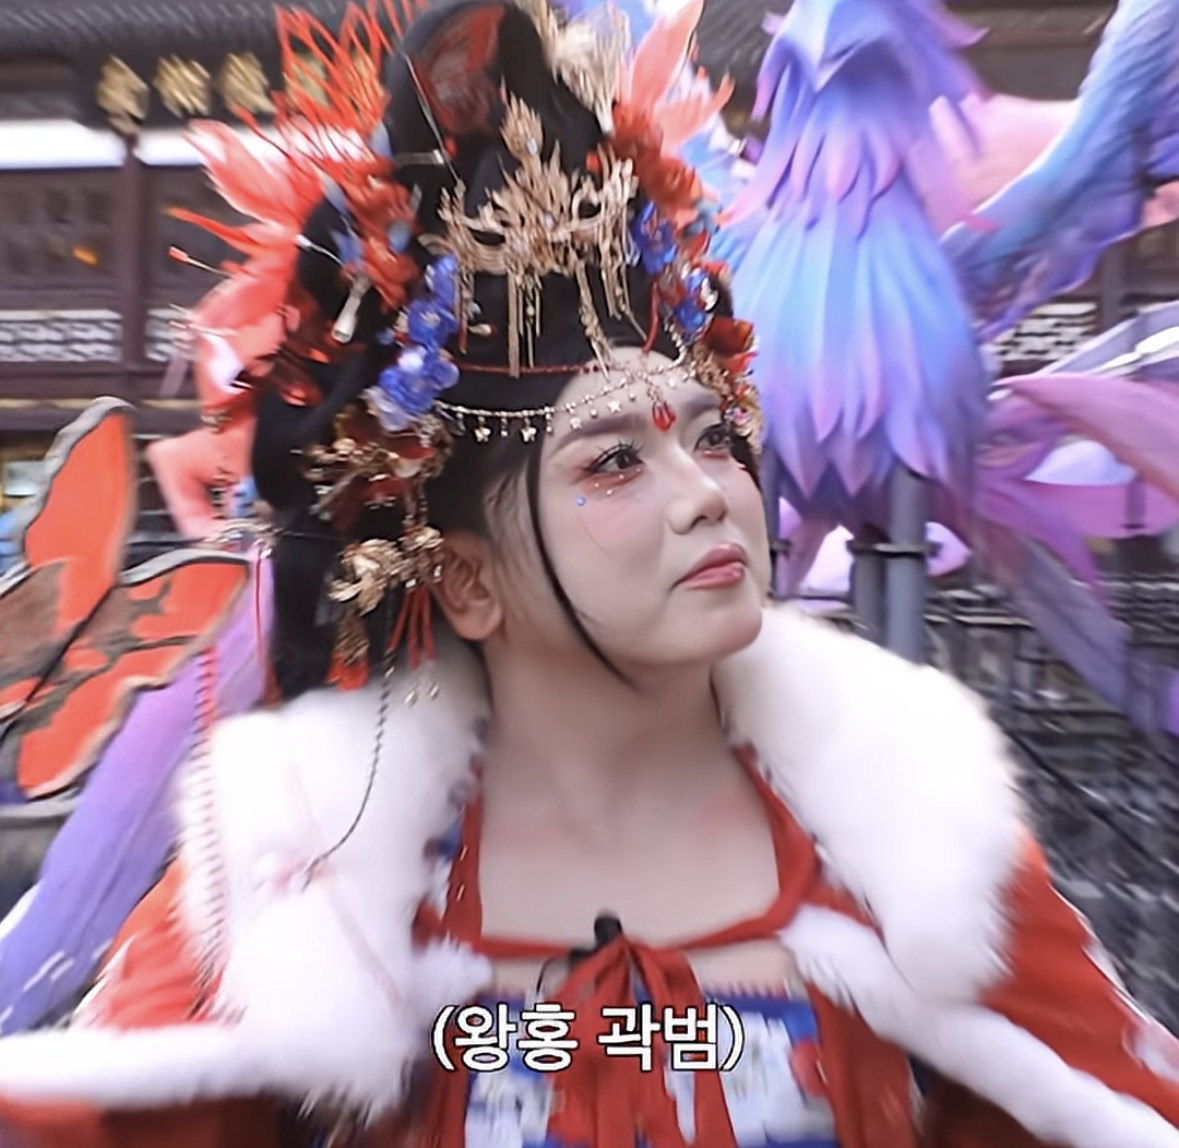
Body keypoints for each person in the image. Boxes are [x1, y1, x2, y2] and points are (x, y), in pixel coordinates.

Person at [0, 2, 1177, 1146]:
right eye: (614, 460)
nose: (707, 491)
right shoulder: (300, 879)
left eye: (713, 434)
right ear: (465, 578)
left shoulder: (920, 845)